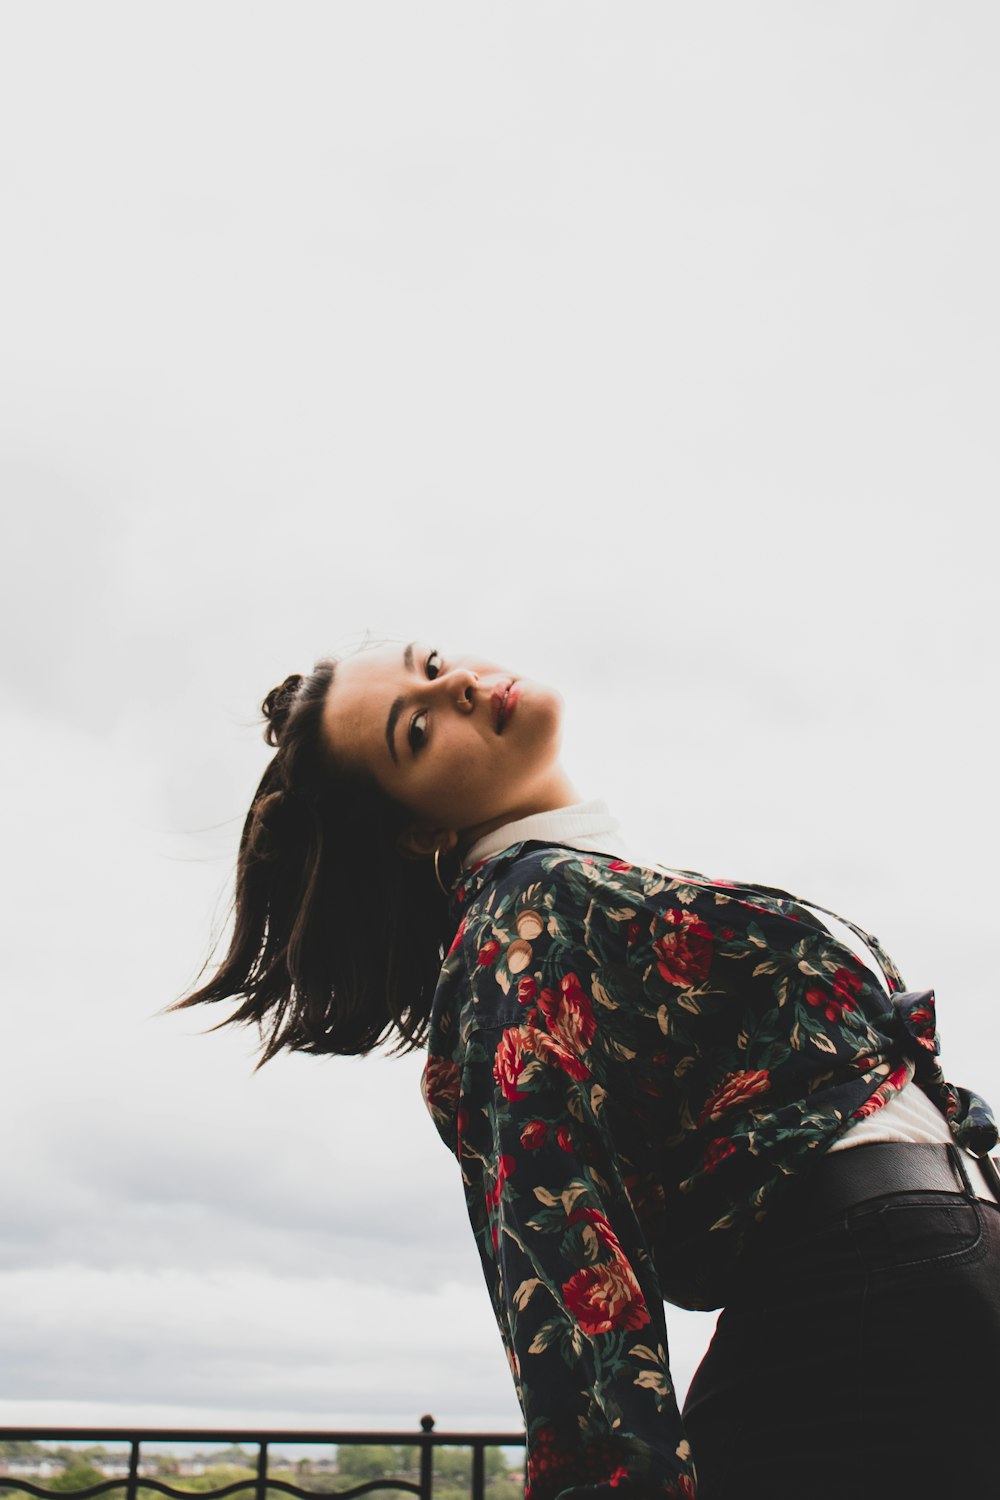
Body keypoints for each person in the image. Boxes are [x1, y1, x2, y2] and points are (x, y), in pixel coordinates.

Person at [175, 640, 1000, 1500]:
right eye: (416, 728)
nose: (455, 683)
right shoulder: (515, 930)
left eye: (429, 663)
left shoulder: (588, 892)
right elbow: (556, 1241)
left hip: (921, 1280)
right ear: (421, 828)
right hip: (874, 1300)